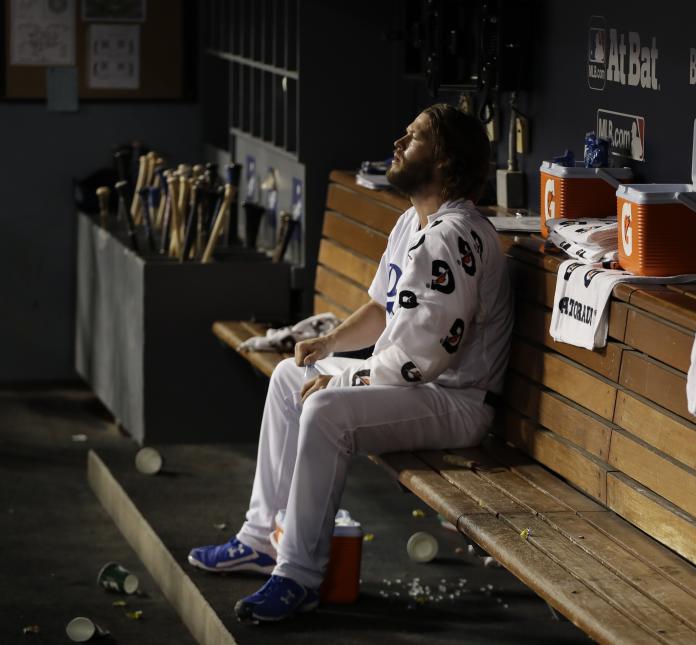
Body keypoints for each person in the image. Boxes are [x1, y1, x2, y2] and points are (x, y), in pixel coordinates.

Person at [187, 103, 513, 623]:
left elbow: (422, 361)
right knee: (292, 377)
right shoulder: (414, 221)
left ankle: (298, 576)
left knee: (327, 411)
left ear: (446, 161)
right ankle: (259, 537)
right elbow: (383, 308)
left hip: (457, 401)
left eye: (416, 136)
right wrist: (330, 344)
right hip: (416, 386)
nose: (399, 142)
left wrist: (351, 376)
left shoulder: (453, 237)